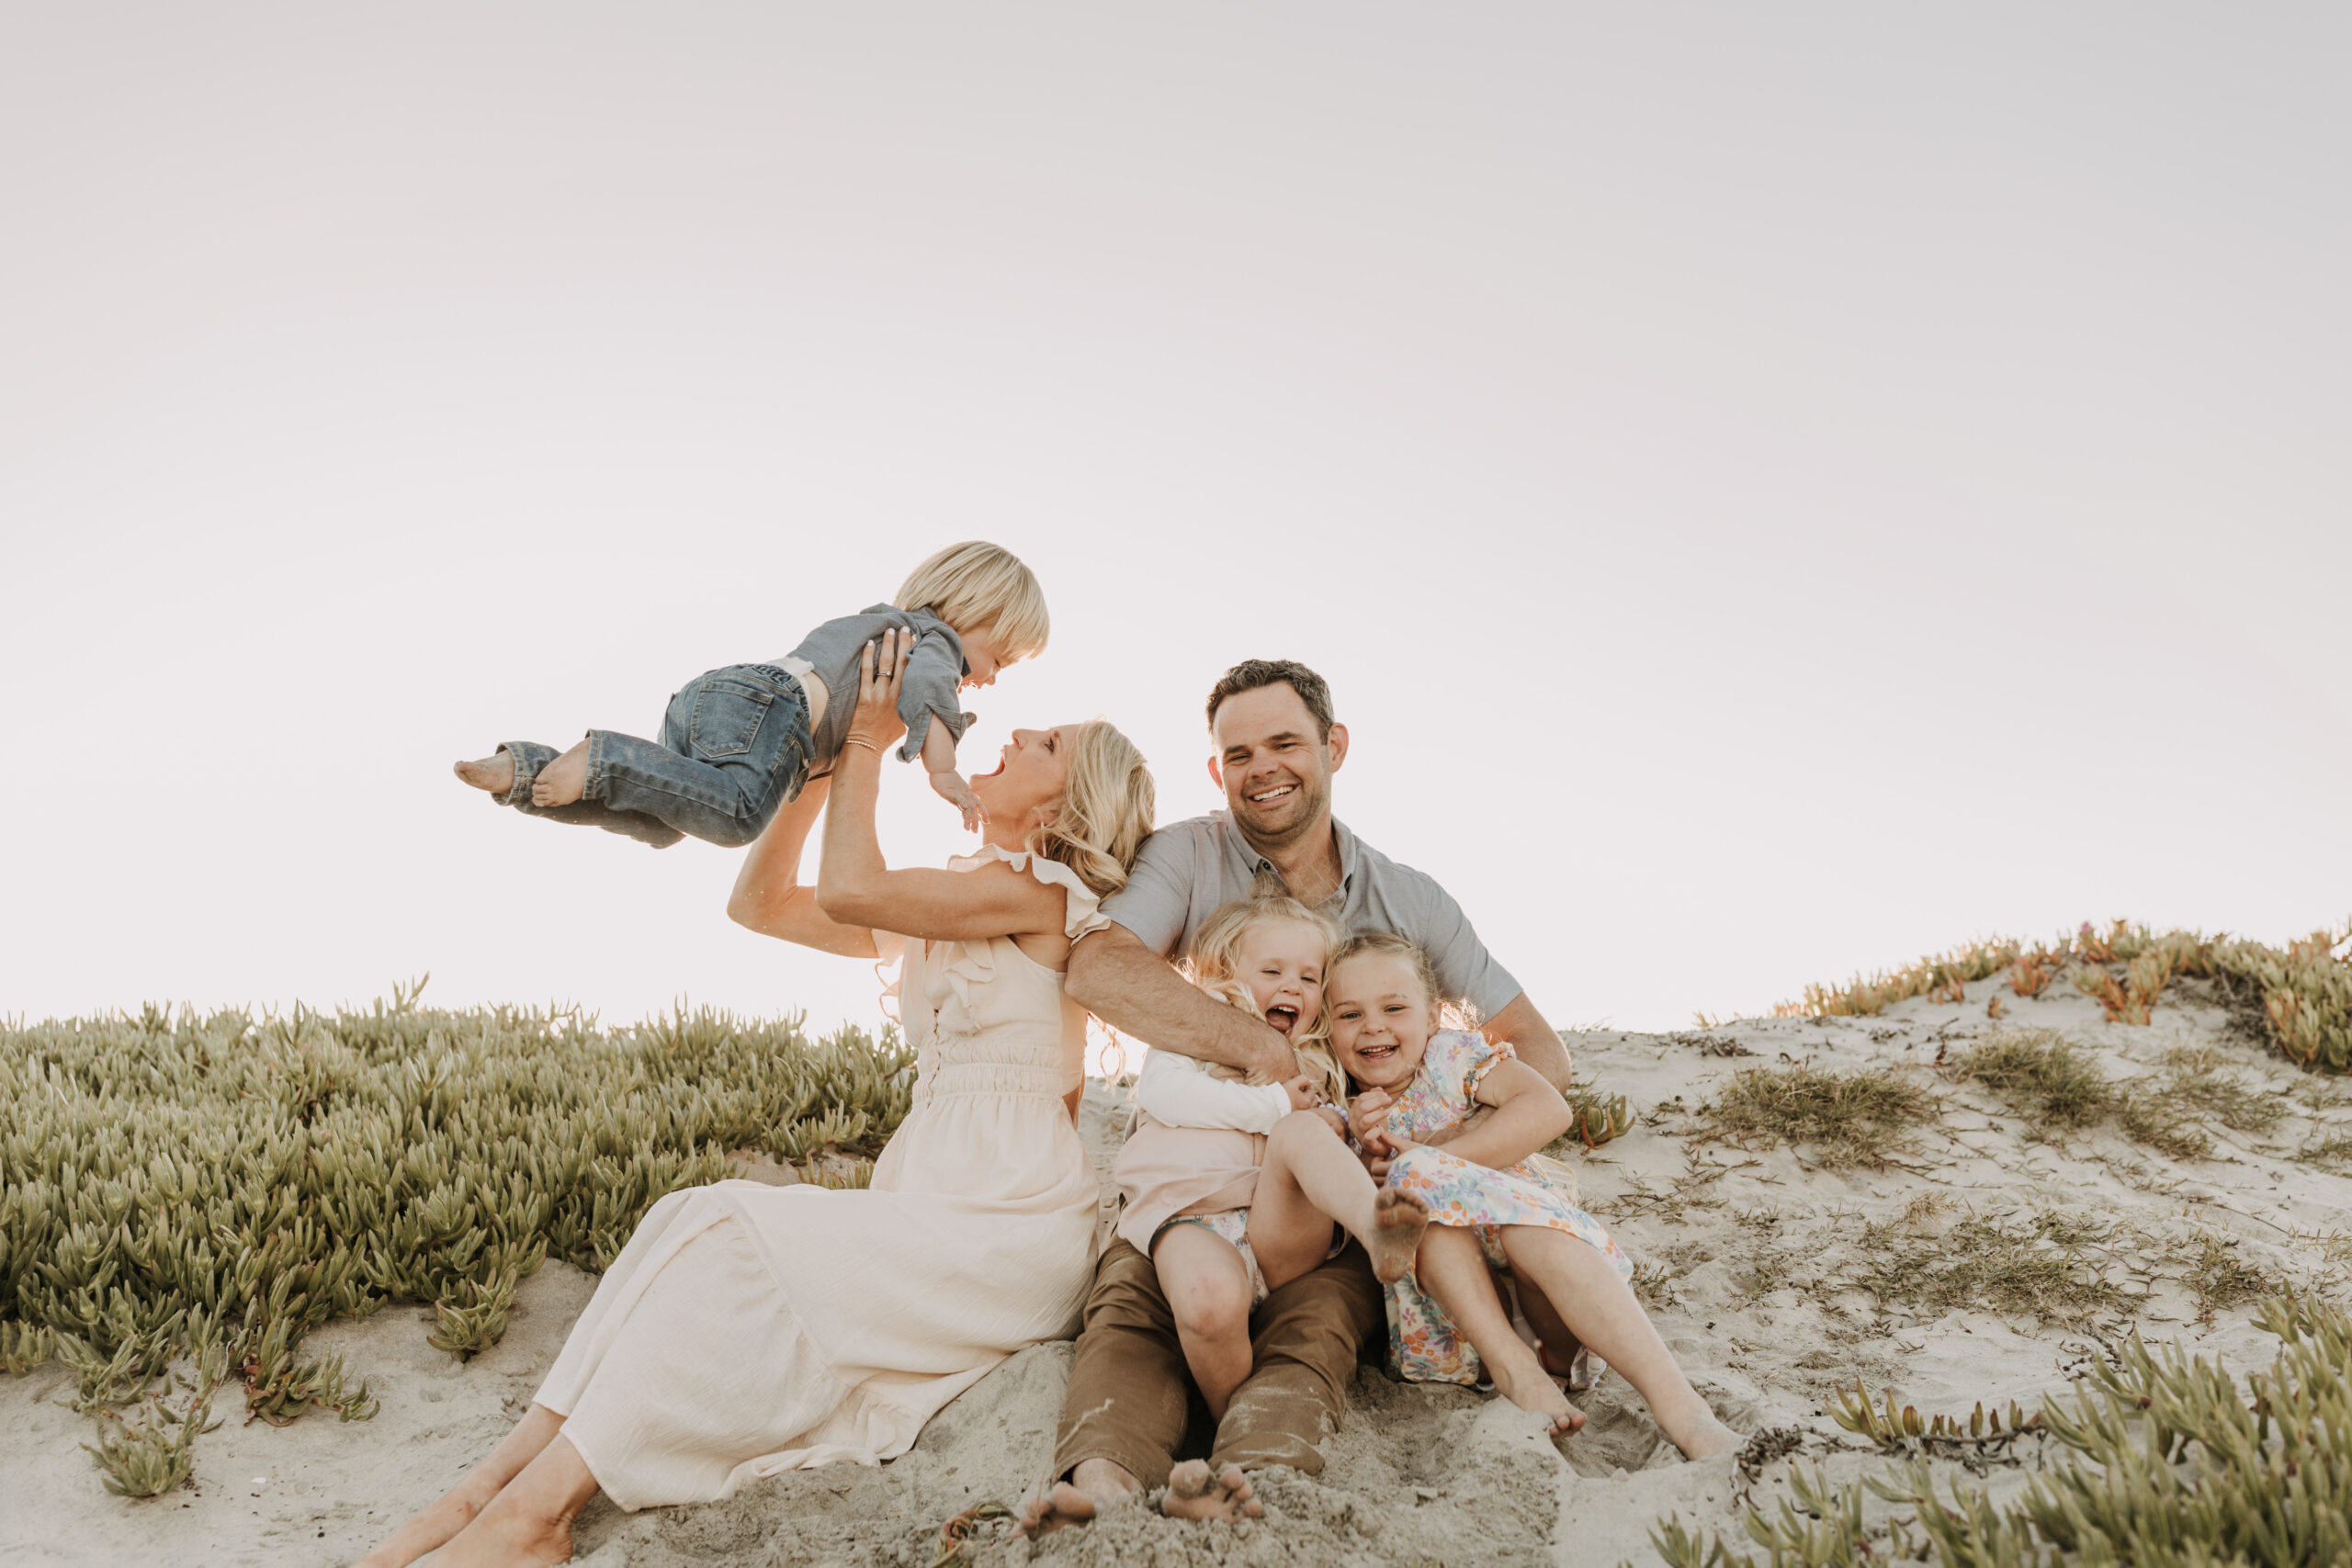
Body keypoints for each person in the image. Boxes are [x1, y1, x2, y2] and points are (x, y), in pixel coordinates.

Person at [354, 630, 1155, 1568]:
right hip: (929, 1203)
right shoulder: (949, 896)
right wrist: (807, 765)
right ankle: (490, 1487)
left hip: (1007, 1229)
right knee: (684, 1216)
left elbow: (856, 885)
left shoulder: (1042, 895)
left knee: (736, 1232)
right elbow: (761, 903)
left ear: (1070, 799)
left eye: (1048, 744)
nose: (1018, 733)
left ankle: (535, 1519)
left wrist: (863, 737)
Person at [1029, 658, 1576, 1532]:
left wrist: (1427, 1149)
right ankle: (1103, 1483)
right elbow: (1100, 967)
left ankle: (1259, 1481)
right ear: (1217, 770)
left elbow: (1540, 1052)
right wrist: (1264, 1050)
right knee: (1133, 1306)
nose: (1263, 767)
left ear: (1334, 747)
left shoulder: (1409, 898)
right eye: (1238, 752)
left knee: (1317, 1322)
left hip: (1330, 1194)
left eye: (1285, 742)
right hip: (1192, 1181)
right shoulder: (1188, 853)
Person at [1332, 931, 1739, 1459]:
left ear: (1433, 1017)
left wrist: (1437, 1163)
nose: (1373, 1026)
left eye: (1393, 1007)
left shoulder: (1450, 1059)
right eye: (1349, 1015)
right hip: (1463, 1336)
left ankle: (1682, 1408)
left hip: (1552, 1311)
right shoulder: (1341, 1104)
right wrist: (1364, 1157)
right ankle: (1516, 1372)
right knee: (1418, 1213)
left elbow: (1549, 1109)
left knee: (1525, 1230)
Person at [451, 540, 1044, 847]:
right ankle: (605, 756)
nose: (988, 678)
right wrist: (945, 773)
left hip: (716, 700)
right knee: (736, 819)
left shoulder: (882, 621)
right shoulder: (932, 640)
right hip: (771, 711)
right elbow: (933, 691)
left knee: (664, 823)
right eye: (998, 659)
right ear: (970, 611)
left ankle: (525, 774)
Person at [1114, 891, 1430, 1425]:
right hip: (1194, 1215)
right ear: (1223, 973)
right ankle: (1228, 1423)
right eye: (1273, 971)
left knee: (1305, 1132)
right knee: (1207, 1303)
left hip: (1280, 1232)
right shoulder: (1189, 1036)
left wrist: (1347, 1131)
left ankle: (1377, 1230)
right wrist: (1275, 1104)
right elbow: (1165, 1095)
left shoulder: (1316, 1059)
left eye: (1309, 978)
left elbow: (1325, 1145)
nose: (1292, 987)